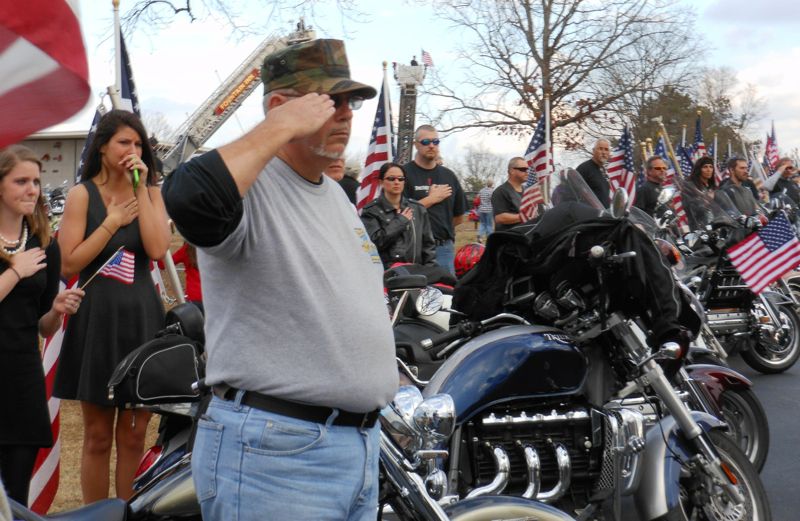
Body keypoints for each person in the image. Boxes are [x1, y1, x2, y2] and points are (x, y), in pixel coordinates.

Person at [161, 38, 397, 521]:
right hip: (278, 456)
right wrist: (277, 127)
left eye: (349, 102)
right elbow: (187, 195)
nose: (346, 113)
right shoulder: (250, 185)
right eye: (328, 101)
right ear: (278, 108)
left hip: (356, 448)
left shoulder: (334, 194)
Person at [53, 110, 171, 503]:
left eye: (138, 144)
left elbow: (156, 249)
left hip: (141, 321)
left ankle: (127, 513)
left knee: (134, 436)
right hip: (96, 321)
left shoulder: (151, 193)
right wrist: (112, 221)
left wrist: (142, 190)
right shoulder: (81, 195)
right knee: (99, 436)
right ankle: (96, 515)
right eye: (124, 142)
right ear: (102, 147)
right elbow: (69, 261)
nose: (132, 151)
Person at [0, 145, 84, 505]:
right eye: (21, 181)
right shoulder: (23, 259)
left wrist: (57, 310)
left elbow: (43, 327)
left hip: (21, 379)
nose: (32, 189)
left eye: (36, 181)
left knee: (16, 496)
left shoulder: (46, 246)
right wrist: (16, 270)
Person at [403, 125, 467, 274]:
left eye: (435, 142)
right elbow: (399, 214)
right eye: (425, 142)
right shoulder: (403, 174)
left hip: (443, 249)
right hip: (413, 248)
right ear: (416, 144)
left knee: (445, 295)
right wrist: (431, 199)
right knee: (413, 295)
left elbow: (458, 217)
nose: (431, 146)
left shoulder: (449, 176)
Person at [361, 162, 435, 267]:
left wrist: (429, 270)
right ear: (381, 182)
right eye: (391, 179)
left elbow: (428, 245)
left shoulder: (418, 208)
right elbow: (373, 244)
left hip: (416, 274)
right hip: (386, 274)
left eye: (401, 179)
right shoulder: (371, 211)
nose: (397, 182)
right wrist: (400, 222)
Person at [492, 157, 528, 231]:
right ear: (512, 171)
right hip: (508, 239)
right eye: (523, 169)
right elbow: (500, 218)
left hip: (526, 237)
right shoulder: (500, 191)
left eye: (528, 169)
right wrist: (525, 216)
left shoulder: (527, 191)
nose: (527, 172)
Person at [576, 139, 611, 207]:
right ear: (593, 151)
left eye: (606, 149)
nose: (603, 152)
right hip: (589, 215)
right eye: (600, 149)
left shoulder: (604, 172)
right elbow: (573, 192)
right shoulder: (584, 169)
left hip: (604, 215)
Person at [171, 241, 203, 313]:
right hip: (211, 297)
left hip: (193, 297)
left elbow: (162, 264)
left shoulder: (187, 249)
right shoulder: (213, 249)